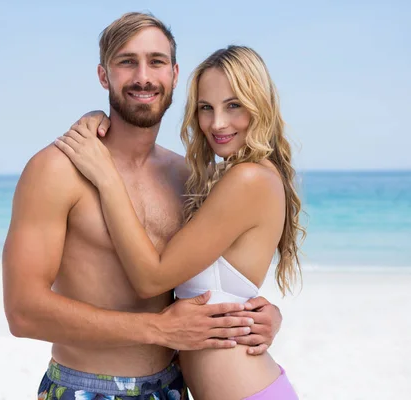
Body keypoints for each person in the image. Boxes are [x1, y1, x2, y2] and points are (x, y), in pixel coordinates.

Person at [2, 12, 283, 400]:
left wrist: (262, 314)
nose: (143, 77)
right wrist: (157, 329)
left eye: (156, 62)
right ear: (104, 76)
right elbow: (23, 311)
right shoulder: (56, 170)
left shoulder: (188, 178)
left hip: (172, 388)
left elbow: (212, 278)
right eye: (127, 62)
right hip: (86, 388)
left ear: (174, 74)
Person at [55, 44, 303, 399]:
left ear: (259, 104)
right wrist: (98, 116)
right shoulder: (230, 179)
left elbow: (151, 278)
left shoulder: (248, 180)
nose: (217, 123)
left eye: (233, 105)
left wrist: (106, 178)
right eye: (206, 108)